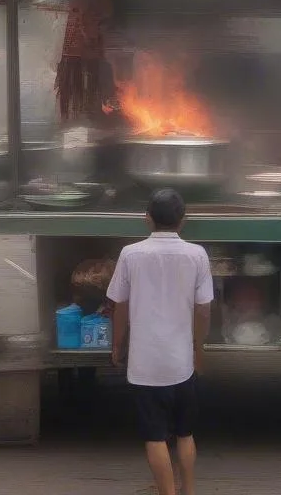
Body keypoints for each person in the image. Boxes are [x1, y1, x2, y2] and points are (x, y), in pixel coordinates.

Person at [108, 189, 213, 495]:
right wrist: (198, 347)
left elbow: (120, 305)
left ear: (147, 219)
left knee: (155, 437)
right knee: (185, 433)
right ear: (184, 221)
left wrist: (117, 344)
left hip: (145, 366)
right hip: (181, 363)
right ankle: (188, 490)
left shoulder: (130, 254)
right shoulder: (197, 255)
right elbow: (204, 309)